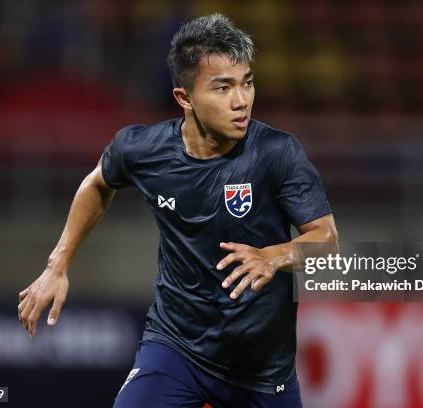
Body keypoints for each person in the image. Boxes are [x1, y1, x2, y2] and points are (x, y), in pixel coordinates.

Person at [17, 13, 337, 408]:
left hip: (261, 369)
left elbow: (326, 241)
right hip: (176, 348)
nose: (241, 101)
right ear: (184, 98)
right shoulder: (143, 149)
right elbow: (97, 183)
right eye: (222, 88)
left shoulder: (277, 153)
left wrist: (273, 257)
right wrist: (57, 265)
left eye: (247, 83)